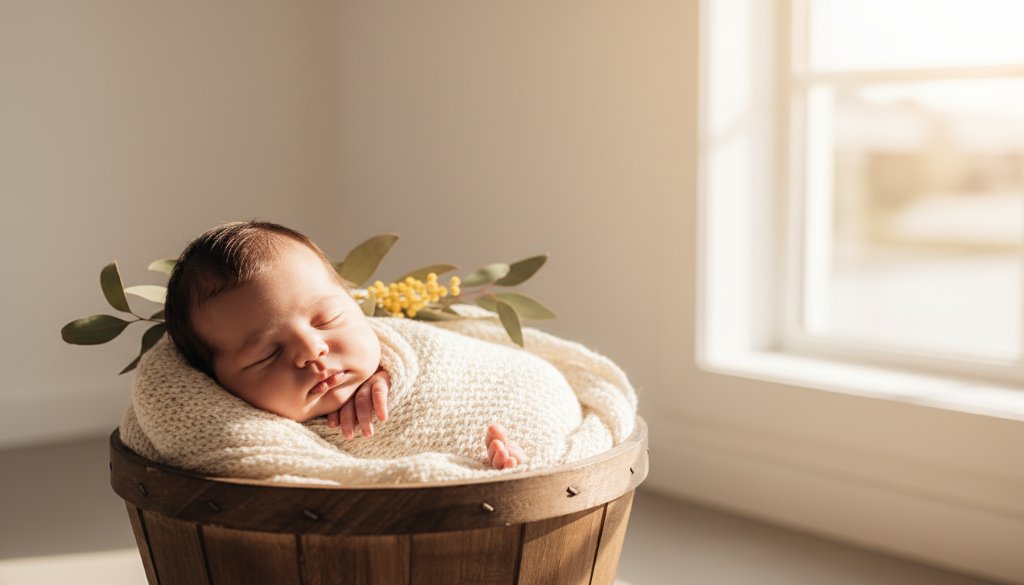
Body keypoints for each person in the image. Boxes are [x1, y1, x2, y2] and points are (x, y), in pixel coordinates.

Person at [163, 221, 526, 470]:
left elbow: (454, 368)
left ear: (354, 303)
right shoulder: (242, 440)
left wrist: (392, 370)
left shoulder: (411, 356)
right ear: (215, 384)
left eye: (326, 320)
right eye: (267, 354)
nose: (311, 351)